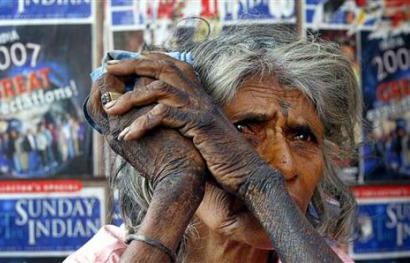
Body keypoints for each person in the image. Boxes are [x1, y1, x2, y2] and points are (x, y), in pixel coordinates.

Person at [67, 25, 360, 262]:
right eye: (243, 129)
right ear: (174, 141)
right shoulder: (106, 257)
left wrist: (258, 183)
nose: (284, 164)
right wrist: (177, 183)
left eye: (302, 136)